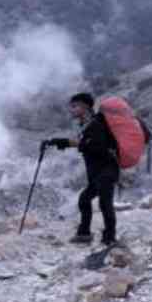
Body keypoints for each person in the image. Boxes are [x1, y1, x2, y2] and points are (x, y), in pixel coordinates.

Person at [45, 92, 120, 246]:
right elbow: (81, 143)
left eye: (74, 106)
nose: (71, 110)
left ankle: (110, 238)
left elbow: (97, 147)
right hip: (96, 173)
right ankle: (84, 233)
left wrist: (77, 144)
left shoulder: (96, 124)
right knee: (84, 199)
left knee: (105, 204)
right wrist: (56, 142)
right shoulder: (87, 125)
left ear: (85, 107)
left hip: (106, 171)